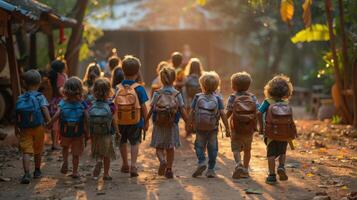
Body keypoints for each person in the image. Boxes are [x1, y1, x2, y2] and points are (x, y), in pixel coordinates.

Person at [147, 66, 189, 179]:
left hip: (159, 124)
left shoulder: (157, 93)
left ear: (161, 79)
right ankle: (169, 169)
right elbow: (182, 110)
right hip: (172, 124)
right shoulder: (177, 94)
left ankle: (162, 160)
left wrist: (145, 121)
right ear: (174, 79)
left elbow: (151, 109)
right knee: (170, 148)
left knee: (159, 147)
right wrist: (188, 122)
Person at [190, 71, 230, 178]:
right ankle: (211, 169)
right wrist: (227, 128)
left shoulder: (197, 96)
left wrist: (190, 123)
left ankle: (202, 161)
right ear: (217, 86)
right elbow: (222, 113)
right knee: (213, 148)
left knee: (199, 146)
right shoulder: (218, 98)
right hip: (213, 128)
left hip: (199, 127)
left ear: (202, 85)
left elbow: (192, 111)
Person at [258, 75, 297, 184]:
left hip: (270, 133)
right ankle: (281, 166)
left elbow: (259, 113)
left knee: (271, 154)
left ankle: (271, 175)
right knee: (282, 151)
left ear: (269, 89)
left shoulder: (267, 102)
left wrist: (261, 128)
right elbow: (290, 120)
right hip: (284, 133)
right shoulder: (286, 103)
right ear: (287, 91)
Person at [114, 55, 149, 177]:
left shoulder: (117, 88)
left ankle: (125, 164)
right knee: (134, 143)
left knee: (122, 142)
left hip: (120, 121)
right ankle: (133, 165)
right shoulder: (139, 88)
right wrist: (147, 121)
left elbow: (113, 106)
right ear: (137, 72)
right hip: (136, 121)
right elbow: (144, 107)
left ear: (123, 71)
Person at [48, 77, 89, 179]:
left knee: (65, 148)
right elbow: (87, 117)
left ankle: (65, 162)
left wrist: (49, 123)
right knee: (76, 153)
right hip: (78, 133)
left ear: (65, 90)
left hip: (65, 132)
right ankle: (75, 172)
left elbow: (57, 114)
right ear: (80, 89)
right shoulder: (82, 103)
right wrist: (88, 130)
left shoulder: (63, 102)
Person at [15, 70, 51, 184]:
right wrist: (49, 121)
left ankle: (26, 173)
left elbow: (17, 113)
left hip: (25, 128)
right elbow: (44, 109)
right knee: (38, 150)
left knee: (26, 151)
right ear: (39, 82)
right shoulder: (40, 96)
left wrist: (17, 126)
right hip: (38, 127)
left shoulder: (21, 97)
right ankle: (37, 171)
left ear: (24, 83)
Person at [226, 72, 259, 179]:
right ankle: (245, 169)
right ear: (248, 86)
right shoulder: (252, 97)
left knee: (235, 148)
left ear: (233, 86)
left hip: (235, 128)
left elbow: (229, 112)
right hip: (249, 128)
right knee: (247, 149)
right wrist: (256, 125)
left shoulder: (232, 97)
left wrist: (224, 123)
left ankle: (238, 164)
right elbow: (257, 112)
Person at [89, 78, 120, 180]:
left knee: (98, 151)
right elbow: (114, 120)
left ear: (95, 91)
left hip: (96, 133)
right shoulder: (111, 105)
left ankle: (98, 161)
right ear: (109, 91)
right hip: (107, 133)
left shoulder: (92, 104)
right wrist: (117, 132)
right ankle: (106, 174)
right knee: (107, 154)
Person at [48, 60, 68, 150]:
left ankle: (55, 142)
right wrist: (66, 95)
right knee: (57, 123)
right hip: (59, 102)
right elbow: (60, 89)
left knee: (55, 123)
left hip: (54, 101)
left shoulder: (55, 76)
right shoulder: (60, 76)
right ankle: (55, 144)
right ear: (62, 68)